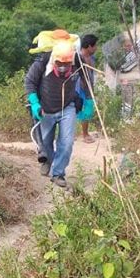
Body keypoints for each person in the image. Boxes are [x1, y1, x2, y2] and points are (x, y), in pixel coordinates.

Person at [25, 40, 83, 188]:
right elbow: (29, 82)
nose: (63, 67)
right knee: (45, 142)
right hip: (45, 108)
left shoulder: (77, 61)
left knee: (67, 142)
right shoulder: (42, 62)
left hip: (67, 106)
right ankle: (48, 161)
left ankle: (58, 173)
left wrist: (88, 100)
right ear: (54, 59)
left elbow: (86, 78)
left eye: (66, 64)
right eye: (59, 63)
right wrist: (34, 103)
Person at [75, 34, 98, 144]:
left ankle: (85, 133)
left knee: (88, 111)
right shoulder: (78, 58)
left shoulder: (92, 58)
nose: (96, 48)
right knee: (78, 110)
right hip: (80, 88)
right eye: (95, 46)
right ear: (89, 46)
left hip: (89, 88)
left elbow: (91, 74)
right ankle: (82, 134)